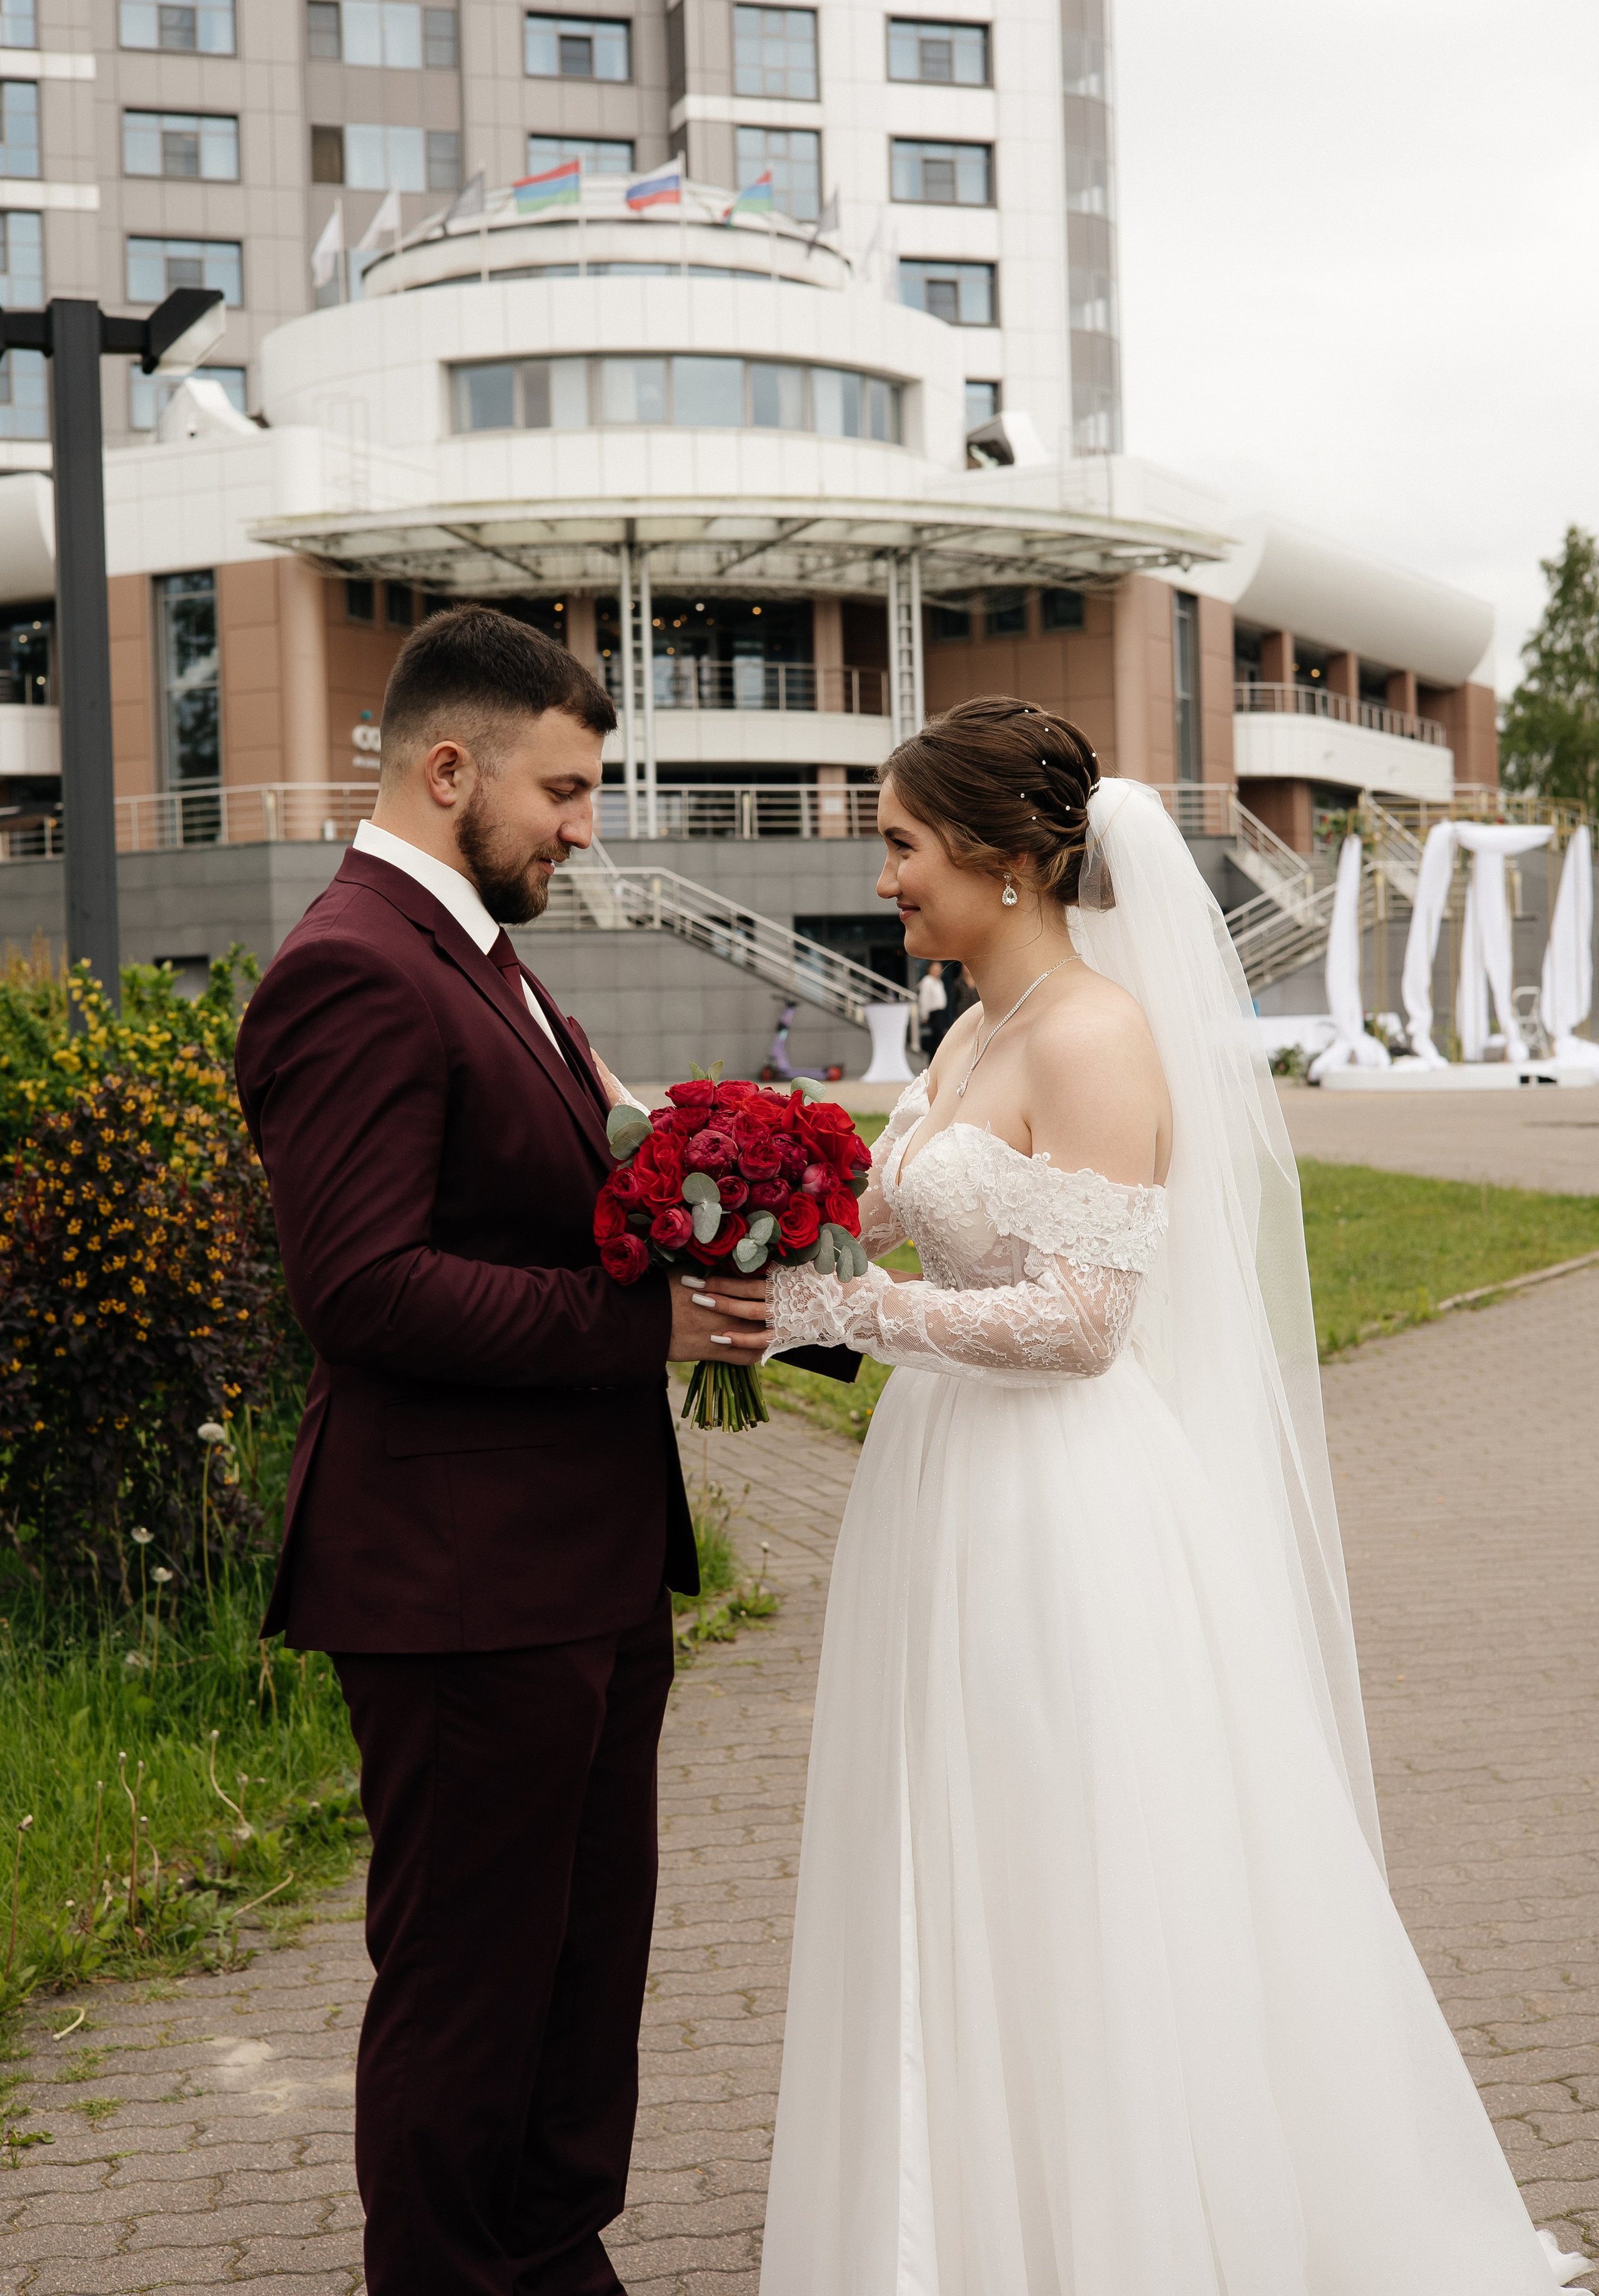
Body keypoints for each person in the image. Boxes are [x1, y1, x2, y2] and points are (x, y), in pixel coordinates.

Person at [756, 697, 1585, 2295]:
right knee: (948, 1842)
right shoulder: (960, 1034)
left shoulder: (1092, 1032)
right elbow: (924, 1251)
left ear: (1004, 859)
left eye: (903, 846)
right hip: (934, 1489)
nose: (886, 879)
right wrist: (759, 1253)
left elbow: (1079, 1323)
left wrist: (842, 1314)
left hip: (1054, 1507)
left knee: (1068, 1856)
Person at [235, 606, 783, 2296]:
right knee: (472, 1985)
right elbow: (367, 1292)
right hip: (458, 1587)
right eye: (563, 787)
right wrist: (653, 1331)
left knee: (577, 1964)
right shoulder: (352, 966)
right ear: (449, 765)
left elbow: (545, 1200)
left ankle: (551, 2257)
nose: (583, 824)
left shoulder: (482, 952)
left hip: (579, 1569)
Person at [914, 957, 949, 1053]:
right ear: (930, 969)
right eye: (936, 968)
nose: (938, 971)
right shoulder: (927, 981)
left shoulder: (940, 982)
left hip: (941, 1012)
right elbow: (924, 999)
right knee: (936, 1038)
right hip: (934, 1013)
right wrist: (924, 1015)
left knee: (940, 1037)